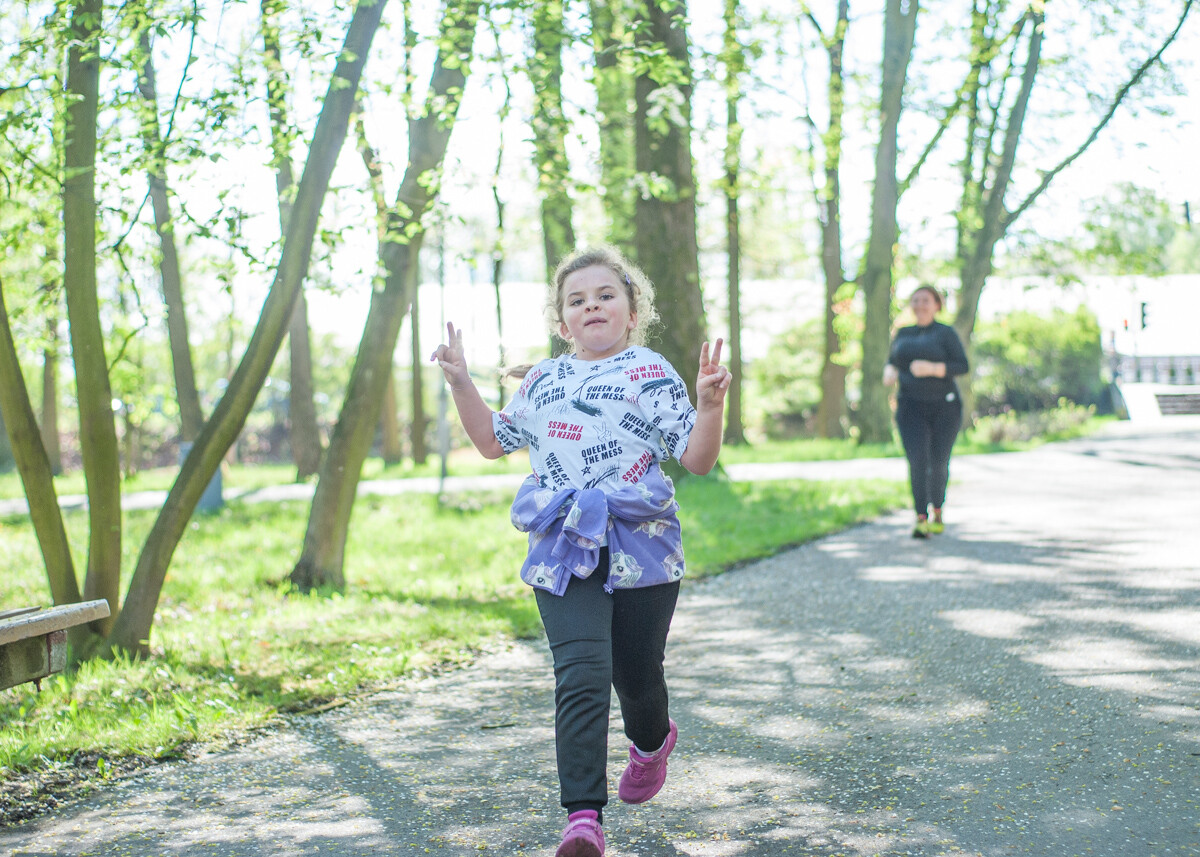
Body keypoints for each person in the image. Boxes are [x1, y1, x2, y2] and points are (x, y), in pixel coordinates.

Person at [431, 245, 732, 857]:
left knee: (636, 673)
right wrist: (461, 381)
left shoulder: (650, 371)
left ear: (630, 310)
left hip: (641, 545)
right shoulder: (544, 380)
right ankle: (583, 819)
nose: (590, 305)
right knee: (582, 674)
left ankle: (651, 744)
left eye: (604, 295)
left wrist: (711, 405)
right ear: (561, 319)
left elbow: (698, 459)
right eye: (576, 300)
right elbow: (492, 441)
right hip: (564, 544)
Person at [882, 285, 969, 539]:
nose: (920, 304)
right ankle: (921, 518)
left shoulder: (946, 333)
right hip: (910, 406)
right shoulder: (903, 333)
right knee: (917, 460)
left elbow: (962, 365)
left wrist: (933, 368)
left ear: (936, 305)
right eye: (916, 300)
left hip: (945, 407)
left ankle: (938, 510)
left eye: (926, 300)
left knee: (939, 461)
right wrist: (889, 369)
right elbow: (893, 360)